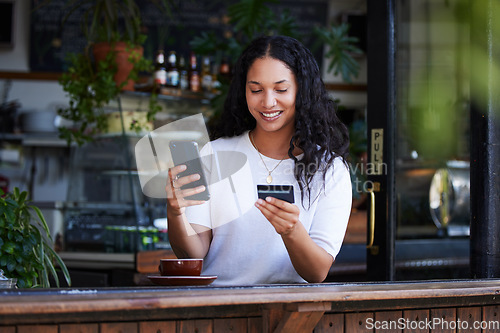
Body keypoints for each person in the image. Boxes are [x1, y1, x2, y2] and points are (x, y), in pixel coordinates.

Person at [166, 35, 352, 285]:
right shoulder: (215, 154)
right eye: (256, 89)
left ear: (302, 91)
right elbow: (192, 253)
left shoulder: (329, 170)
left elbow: (317, 272)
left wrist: (291, 231)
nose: (267, 102)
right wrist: (176, 212)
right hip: (218, 309)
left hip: (290, 314)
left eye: (281, 89)